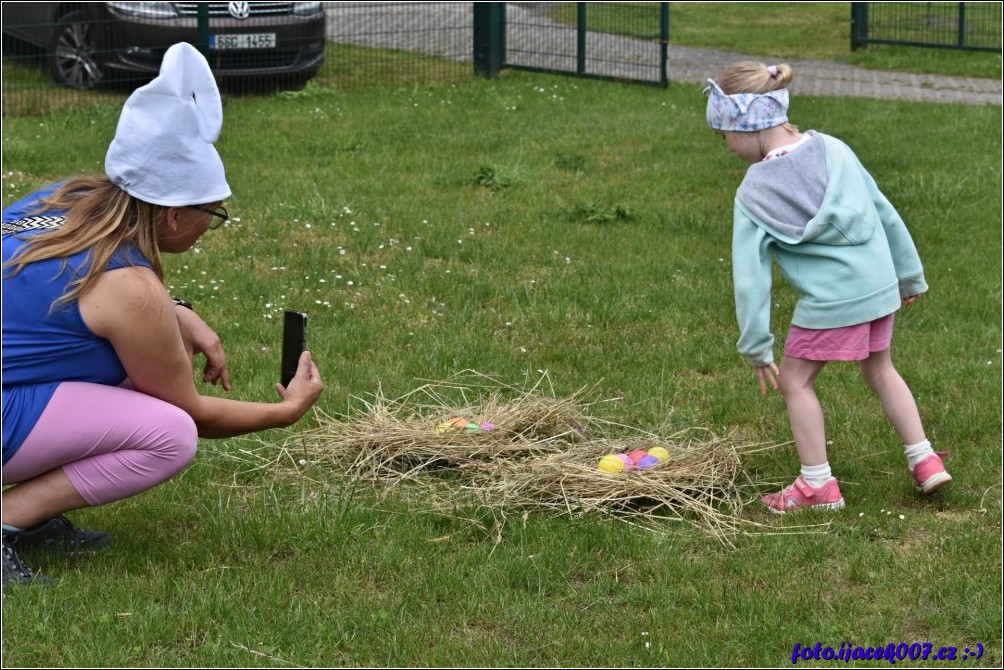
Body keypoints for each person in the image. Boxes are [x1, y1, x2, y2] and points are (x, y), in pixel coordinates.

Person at [1, 43, 325, 586]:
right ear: (173, 214)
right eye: (212, 213)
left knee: (124, 371)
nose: (211, 226)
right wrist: (284, 413)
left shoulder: (64, 199)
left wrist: (176, 312)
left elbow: (63, 306)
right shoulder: (130, 289)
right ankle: (11, 519)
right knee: (169, 434)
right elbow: (190, 412)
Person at [703, 61, 951, 514]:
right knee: (881, 370)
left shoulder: (753, 192)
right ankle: (925, 459)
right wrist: (908, 275)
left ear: (743, 126)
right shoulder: (835, 149)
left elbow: (750, 278)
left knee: (794, 382)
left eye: (723, 136)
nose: (726, 147)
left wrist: (757, 345)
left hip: (834, 300)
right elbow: (884, 210)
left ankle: (816, 484)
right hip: (878, 287)